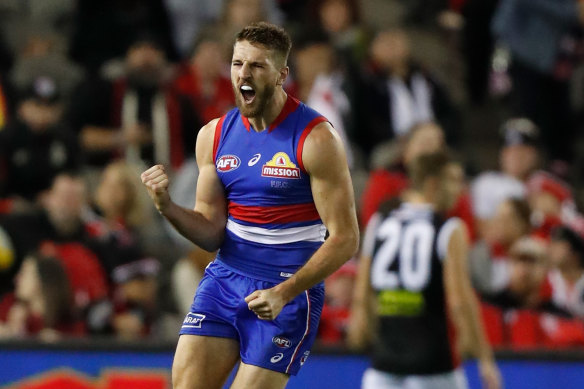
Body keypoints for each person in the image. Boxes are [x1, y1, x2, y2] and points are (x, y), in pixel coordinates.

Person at [141, 22, 359, 389]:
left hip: (286, 291)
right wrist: (167, 206)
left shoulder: (315, 138)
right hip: (225, 280)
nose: (244, 73)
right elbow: (210, 231)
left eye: (257, 66)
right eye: (238, 63)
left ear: (281, 75)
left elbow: (345, 238)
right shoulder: (214, 136)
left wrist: (284, 292)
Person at [348, 152, 500, 389]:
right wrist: (485, 359)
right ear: (432, 183)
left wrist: (362, 325)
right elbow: (460, 300)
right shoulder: (449, 229)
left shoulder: (380, 222)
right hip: (434, 367)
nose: (459, 190)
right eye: (453, 180)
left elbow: (362, 291)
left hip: (384, 366)